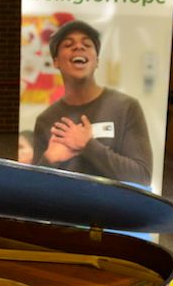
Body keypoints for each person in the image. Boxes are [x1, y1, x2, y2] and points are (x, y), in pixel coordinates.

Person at [32, 20, 152, 185]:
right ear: (56, 62)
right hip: (65, 209)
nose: (78, 47)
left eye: (87, 45)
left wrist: (88, 145)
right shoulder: (46, 119)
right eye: (68, 45)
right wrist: (49, 159)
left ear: (97, 61)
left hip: (114, 210)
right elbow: (36, 188)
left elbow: (141, 177)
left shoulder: (126, 107)